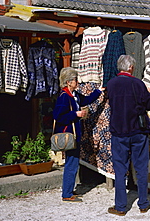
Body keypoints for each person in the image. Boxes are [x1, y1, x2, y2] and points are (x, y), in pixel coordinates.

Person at [106, 55, 150, 216]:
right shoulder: (138, 83)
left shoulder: (111, 84)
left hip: (119, 132)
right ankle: (143, 204)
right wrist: (149, 92)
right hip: (138, 132)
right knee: (141, 168)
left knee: (120, 170)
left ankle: (120, 207)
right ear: (131, 68)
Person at [53, 67, 103, 202]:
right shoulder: (64, 97)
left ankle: (68, 190)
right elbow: (58, 116)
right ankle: (67, 194)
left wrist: (99, 91)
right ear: (68, 82)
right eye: (75, 79)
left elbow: (86, 100)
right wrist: (76, 114)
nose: (78, 82)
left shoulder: (74, 95)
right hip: (70, 135)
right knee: (72, 163)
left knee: (73, 162)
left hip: (74, 135)